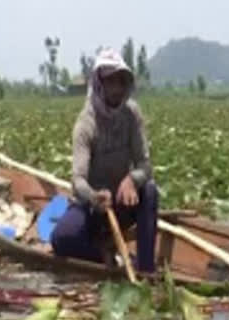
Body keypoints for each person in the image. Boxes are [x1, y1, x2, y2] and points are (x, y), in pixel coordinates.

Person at [50, 48, 158, 273]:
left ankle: (146, 268)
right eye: (111, 82)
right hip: (93, 206)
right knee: (62, 239)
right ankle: (104, 258)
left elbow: (145, 165)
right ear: (99, 84)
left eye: (121, 82)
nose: (117, 89)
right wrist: (93, 196)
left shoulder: (131, 114)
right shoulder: (86, 124)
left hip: (121, 201)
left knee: (149, 191)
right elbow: (77, 180)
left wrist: (131, 179)